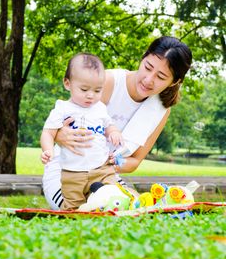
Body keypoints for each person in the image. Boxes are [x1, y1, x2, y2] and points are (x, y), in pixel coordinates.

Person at [42, 36, 192, 210]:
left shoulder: (161, 109)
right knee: (83, 210)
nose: (149, 79)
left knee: (135, 208)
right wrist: (60, 136)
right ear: (143, 58)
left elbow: (135, 161)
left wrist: (113, 162)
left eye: (161, 76)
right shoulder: (108, 82)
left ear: (174, 82)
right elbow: (60, 125)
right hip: (66, 171)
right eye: (148, 67)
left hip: (105, 173)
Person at [40, 53, 124, 210]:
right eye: (84, 89)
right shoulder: (63, 108)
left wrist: (113, 133)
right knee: (74, 208)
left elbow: (108, 126)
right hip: (73, 173)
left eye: (98, 90)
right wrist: (48, 150)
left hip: (102, 169)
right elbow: (48, 133)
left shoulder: (100, 108)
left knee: (113, 196)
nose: (91, 95)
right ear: (67, 83)